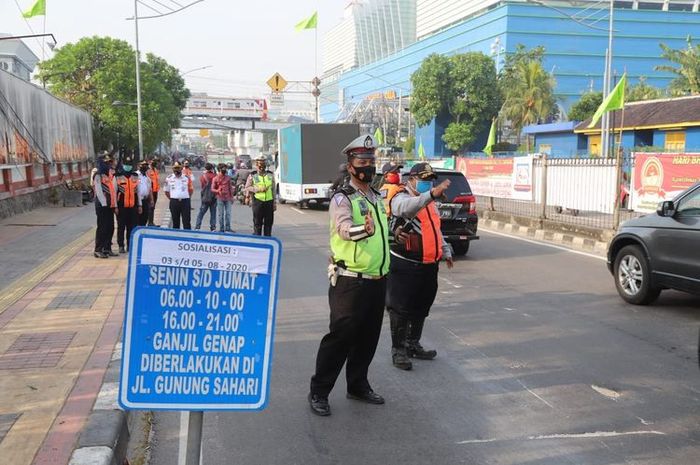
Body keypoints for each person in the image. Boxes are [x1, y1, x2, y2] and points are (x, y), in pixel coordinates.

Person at [308, 134, 390, 417]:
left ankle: (357, 385)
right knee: (340, 339)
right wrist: (362, 230)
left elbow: (382, 233)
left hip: (377, 280)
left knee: (368, 337)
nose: (368, 165)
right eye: (362, 161)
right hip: (350, 281)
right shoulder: (343, 198)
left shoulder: (377, 197)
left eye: (371, 160)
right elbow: (344, 229)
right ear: (351, 165)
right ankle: (319, 391)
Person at [386, 162, 453, 371]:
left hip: (428, 265)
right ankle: (399, 350)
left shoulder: (430, 203)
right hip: (405, 265)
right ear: (411, 180)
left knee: (422, 306)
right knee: (400, 309)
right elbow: (406, 208)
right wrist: (431, 194)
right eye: (423, 180)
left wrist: (446, 249)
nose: (427, 184)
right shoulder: (400, 197)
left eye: (430, 181)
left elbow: (435, 229)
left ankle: (413, 344)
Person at [93, 155, 118, 258]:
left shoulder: (110, 175)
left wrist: (114, 205)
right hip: (102, 205)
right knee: (102, 227)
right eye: (106, 163)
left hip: (110, 205)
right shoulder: (98, 175)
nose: (108, 165)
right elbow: (99, 191)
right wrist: (104, 204)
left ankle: (107, 248)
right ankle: (98, 249)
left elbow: (113, 192)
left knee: (110, 227)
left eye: (109, 163)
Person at [245, 155, 276, 236]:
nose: (262, 167)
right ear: (257, 165)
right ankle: (258, 242)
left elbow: (273, 189)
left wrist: (274, 203)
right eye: (260, 165)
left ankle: (267, 242)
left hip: (269, 202)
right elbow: (247, 187)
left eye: (263, 165)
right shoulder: (252, 175)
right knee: (257, 224)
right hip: (257, 202)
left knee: (268, 224)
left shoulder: (270, 175)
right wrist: (258, 189)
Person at [115, 159, 142, 253]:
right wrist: (115, 207)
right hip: (121, 206)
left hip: (133, 207)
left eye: (129, 164)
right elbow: (115, 193)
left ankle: (130, 245)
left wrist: (140, 205)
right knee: (121, 227)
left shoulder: (135, 176)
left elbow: (138, 192)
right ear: (123, 165)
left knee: (132, 227)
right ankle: (121, 245)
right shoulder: (118, 177)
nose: (128, 166)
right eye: (126, 164)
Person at [164, 162, 193, 229]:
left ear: (181, 169)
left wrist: (185, 196)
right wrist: (173, 198)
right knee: (175, 222)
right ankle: (176, 238)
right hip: (174, 202)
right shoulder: (169, 178)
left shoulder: (186, 178)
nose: (176, 170)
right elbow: (166, 191)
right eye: (175, 168)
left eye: (178, 168)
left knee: (186, 221)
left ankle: (187, 238)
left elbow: (191, 190)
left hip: (185, 202)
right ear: (173, 169)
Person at [195, 163, 218, 231]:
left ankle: (197, 227)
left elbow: (202, 185)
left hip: (205, 196)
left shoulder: (203, 176)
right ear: (212, 168)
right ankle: (213, 227)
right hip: (213, 196)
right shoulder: (215, 176)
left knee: (201, 213)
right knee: (213, 213)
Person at [211, 163, 234, 232]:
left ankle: (228, 228)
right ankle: (221, 229)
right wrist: (217, 191)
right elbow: (212, 189)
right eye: (223, 168)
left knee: (228, 214)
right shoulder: (215, 178)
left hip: (228, 198)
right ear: (219, 169)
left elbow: (230, 188)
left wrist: (232, 197)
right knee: (221, 214)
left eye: (225, 168)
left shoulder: (228, 177)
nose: (225, 170)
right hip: (220, 198)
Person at [136, 160, 154, 226]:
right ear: (139, 166)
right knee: (138, 219)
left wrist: (151, 199)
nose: (144, 167)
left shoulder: (147, 178)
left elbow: (150, 190)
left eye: (146, 165)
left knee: (145, 218)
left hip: (145, 200)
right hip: (138, 200)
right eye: (143, 165)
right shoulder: (135, 175)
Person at [147, 159, 160, 226]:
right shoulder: (148, 171)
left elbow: (157, 181)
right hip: (150, 192)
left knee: (153, 207)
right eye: (153, 161)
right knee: (150, 207)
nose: (154, 163)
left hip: (155, 191)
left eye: (155, 161)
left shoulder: (156, 170)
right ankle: (150, 222)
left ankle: (151, 222)